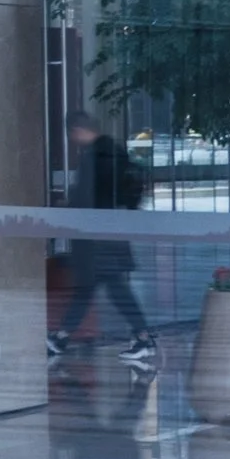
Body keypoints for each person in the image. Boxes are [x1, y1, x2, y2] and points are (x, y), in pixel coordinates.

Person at [51, 115, 157, 372]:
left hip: (98, 236)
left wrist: (62, 217)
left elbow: (85, 197)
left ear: (77, 131)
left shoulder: (95, 157)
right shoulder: (115, 152)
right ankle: (60, 337)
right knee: (93, 288)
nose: (72, 140)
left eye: (72, 135)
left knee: (111, 289)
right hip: (111, 231)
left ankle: (144, 339)